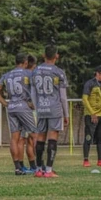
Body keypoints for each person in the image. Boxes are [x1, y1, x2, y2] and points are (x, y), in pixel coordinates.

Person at [0, 53, 38, 175]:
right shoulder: (28, 73)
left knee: (15, 138)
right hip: (23, 106)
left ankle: (17, 168)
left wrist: (5, 103)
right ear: (25, 63)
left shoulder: (7, 75)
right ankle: (41, 166)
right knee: (35, 135)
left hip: (11, 107)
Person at [31, 45, 69, 178]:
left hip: (41, 107)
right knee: (53, 137)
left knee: (40, 137)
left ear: (44, 55)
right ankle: (48, 170)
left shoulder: (35, 71)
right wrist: (66, 114)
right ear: (56, 56)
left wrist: (37, 108)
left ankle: (38, 169)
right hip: (54, 108)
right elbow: (63, 97)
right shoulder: (58, 72)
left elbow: (33, 93)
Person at [18, 55, 38, 173]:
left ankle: (20, 166)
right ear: (33, 65)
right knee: (33, 138)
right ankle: (35, 166)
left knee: (22, 139)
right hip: (29, 110)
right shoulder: (31, 76)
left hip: (17, 108)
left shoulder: (17, 75)